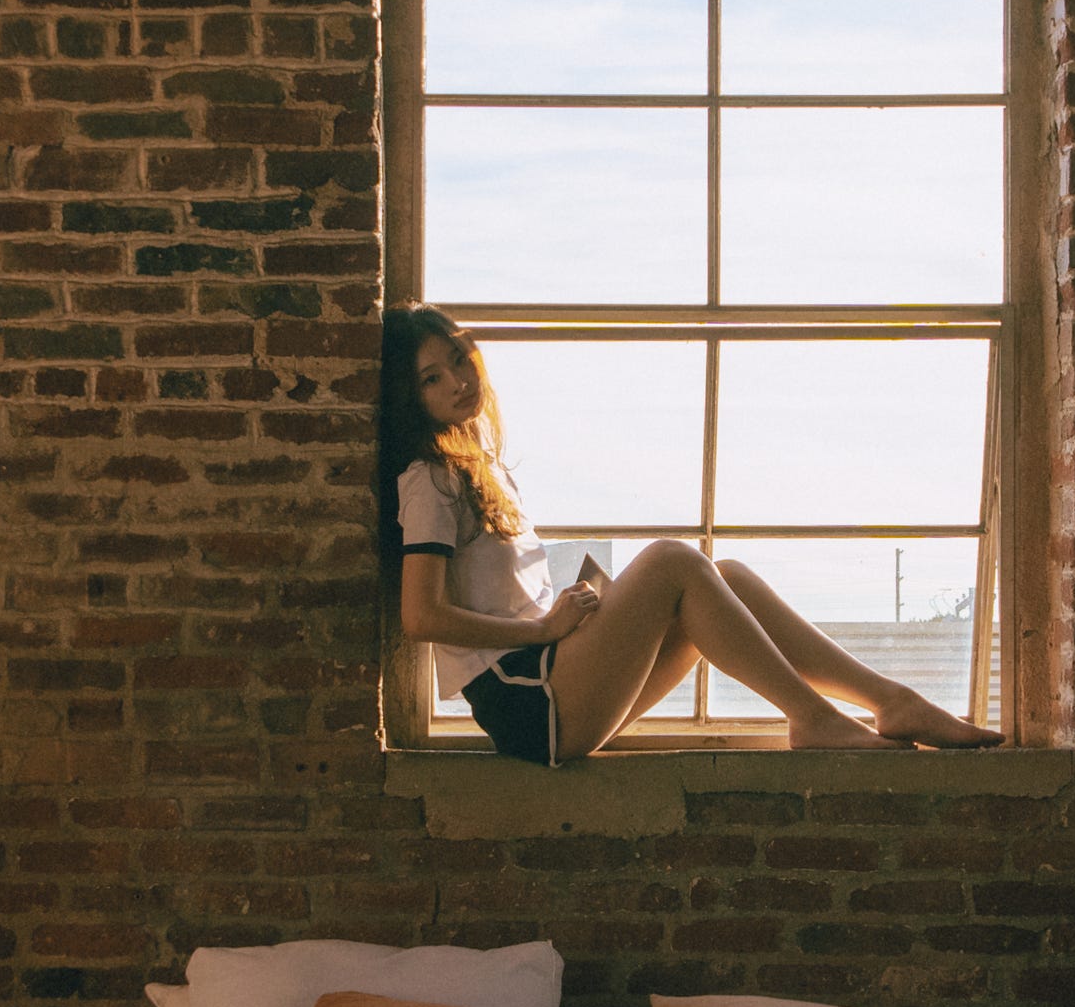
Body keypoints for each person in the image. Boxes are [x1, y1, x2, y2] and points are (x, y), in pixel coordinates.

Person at [379, 304, 1005, 766]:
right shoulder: (426, 481)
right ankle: (812, 716)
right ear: (414, 399)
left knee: (724, 575)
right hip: (529, 703)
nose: (458, 379)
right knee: (674, 560)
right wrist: (542, 628)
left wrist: (572, 614)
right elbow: (421, 615)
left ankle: (890, 699)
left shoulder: (478, 469)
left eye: (459, 357)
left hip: (550, 675)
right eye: (432, 377)